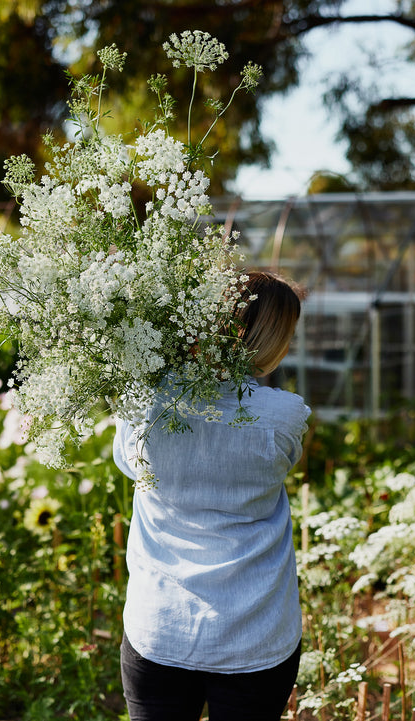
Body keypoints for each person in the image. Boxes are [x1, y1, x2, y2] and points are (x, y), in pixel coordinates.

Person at [113, 270, 311, 721]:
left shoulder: (145, 403)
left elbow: (129, 464)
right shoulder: (284, 417)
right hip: (254, 634)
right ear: (271, 340)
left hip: (158, 628)